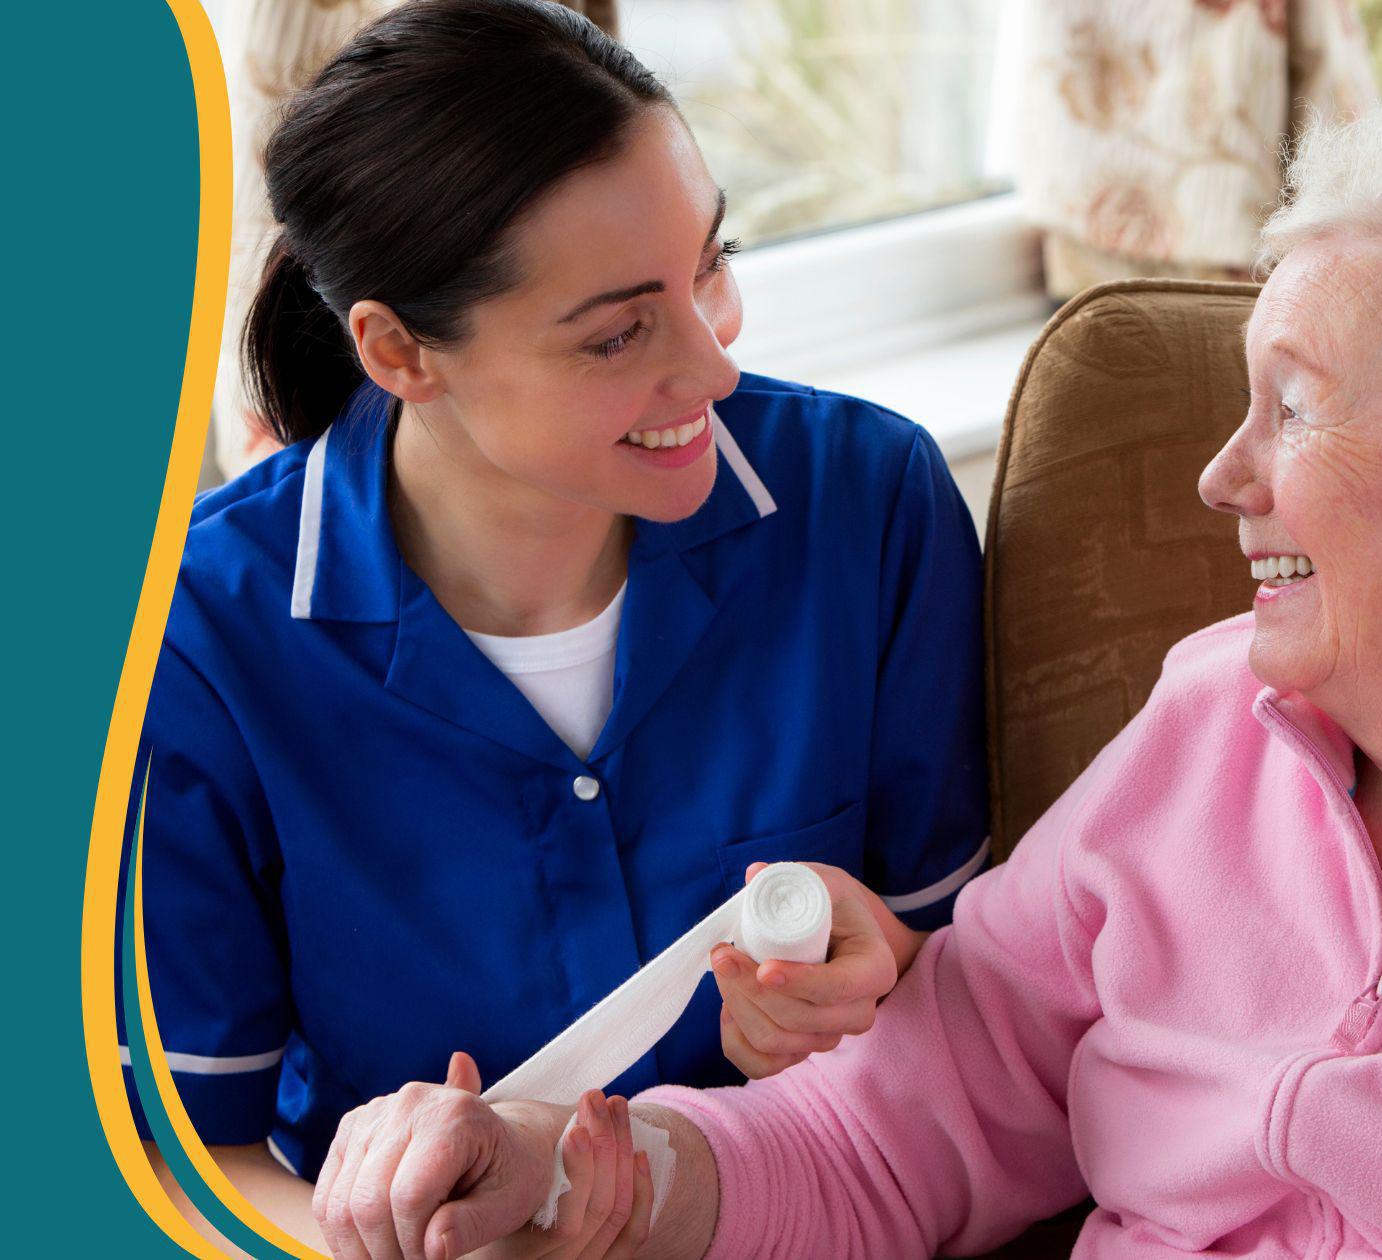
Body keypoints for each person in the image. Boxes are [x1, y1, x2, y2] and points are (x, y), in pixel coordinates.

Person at [319, 91, 1382, 1260]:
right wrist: (586, 1183)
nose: (1222, 478)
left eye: (1289, 407)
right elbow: (891, 1134)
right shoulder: (1208, 725)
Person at [124, 0, 988, 1244]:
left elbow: (978, 989)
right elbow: (188, 1158)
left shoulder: (868, 504)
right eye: (620, 332)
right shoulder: (198, 642)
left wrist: (885, 972)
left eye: (709, 267)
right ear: (399, 351)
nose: (714, 367)